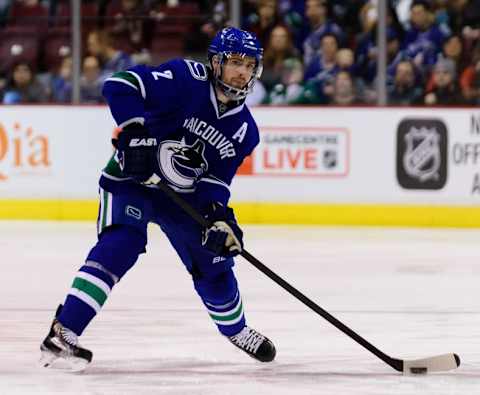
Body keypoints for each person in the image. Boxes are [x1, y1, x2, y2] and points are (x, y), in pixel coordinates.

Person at [39, 27, 276, 371]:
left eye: (249, 64)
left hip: (183, 197)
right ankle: (64, 332)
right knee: (122, 243)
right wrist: (134, 131)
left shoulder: (245, 131)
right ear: (215, 62)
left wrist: (220, 218)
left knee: (216, 267)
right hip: (133, 179)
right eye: (235, 62)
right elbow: (119, 85)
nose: (242, 71)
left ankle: (236, 330)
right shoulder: (185, 77)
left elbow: (215, 182)